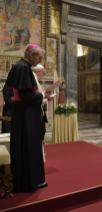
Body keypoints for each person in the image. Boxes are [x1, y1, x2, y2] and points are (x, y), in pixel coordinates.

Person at [5, 44, 51, 192]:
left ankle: (21, 181)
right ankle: (32, 182)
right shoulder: (24, 68)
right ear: (31, 54)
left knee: (22, 147)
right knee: (30, 147)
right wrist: (42, 95)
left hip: (21, 113)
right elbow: (27, 95)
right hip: (27, 115)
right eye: (39, 57)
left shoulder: (18, 66)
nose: (39, 60)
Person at [31, 64, 48, 162]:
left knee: (41, 134)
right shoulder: (33, 78)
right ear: (38, 71)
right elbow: (33, 96)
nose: (43, 76)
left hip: (39, 112)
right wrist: (43, 96)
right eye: (43, 74)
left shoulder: (34, 78)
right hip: (34, 113)